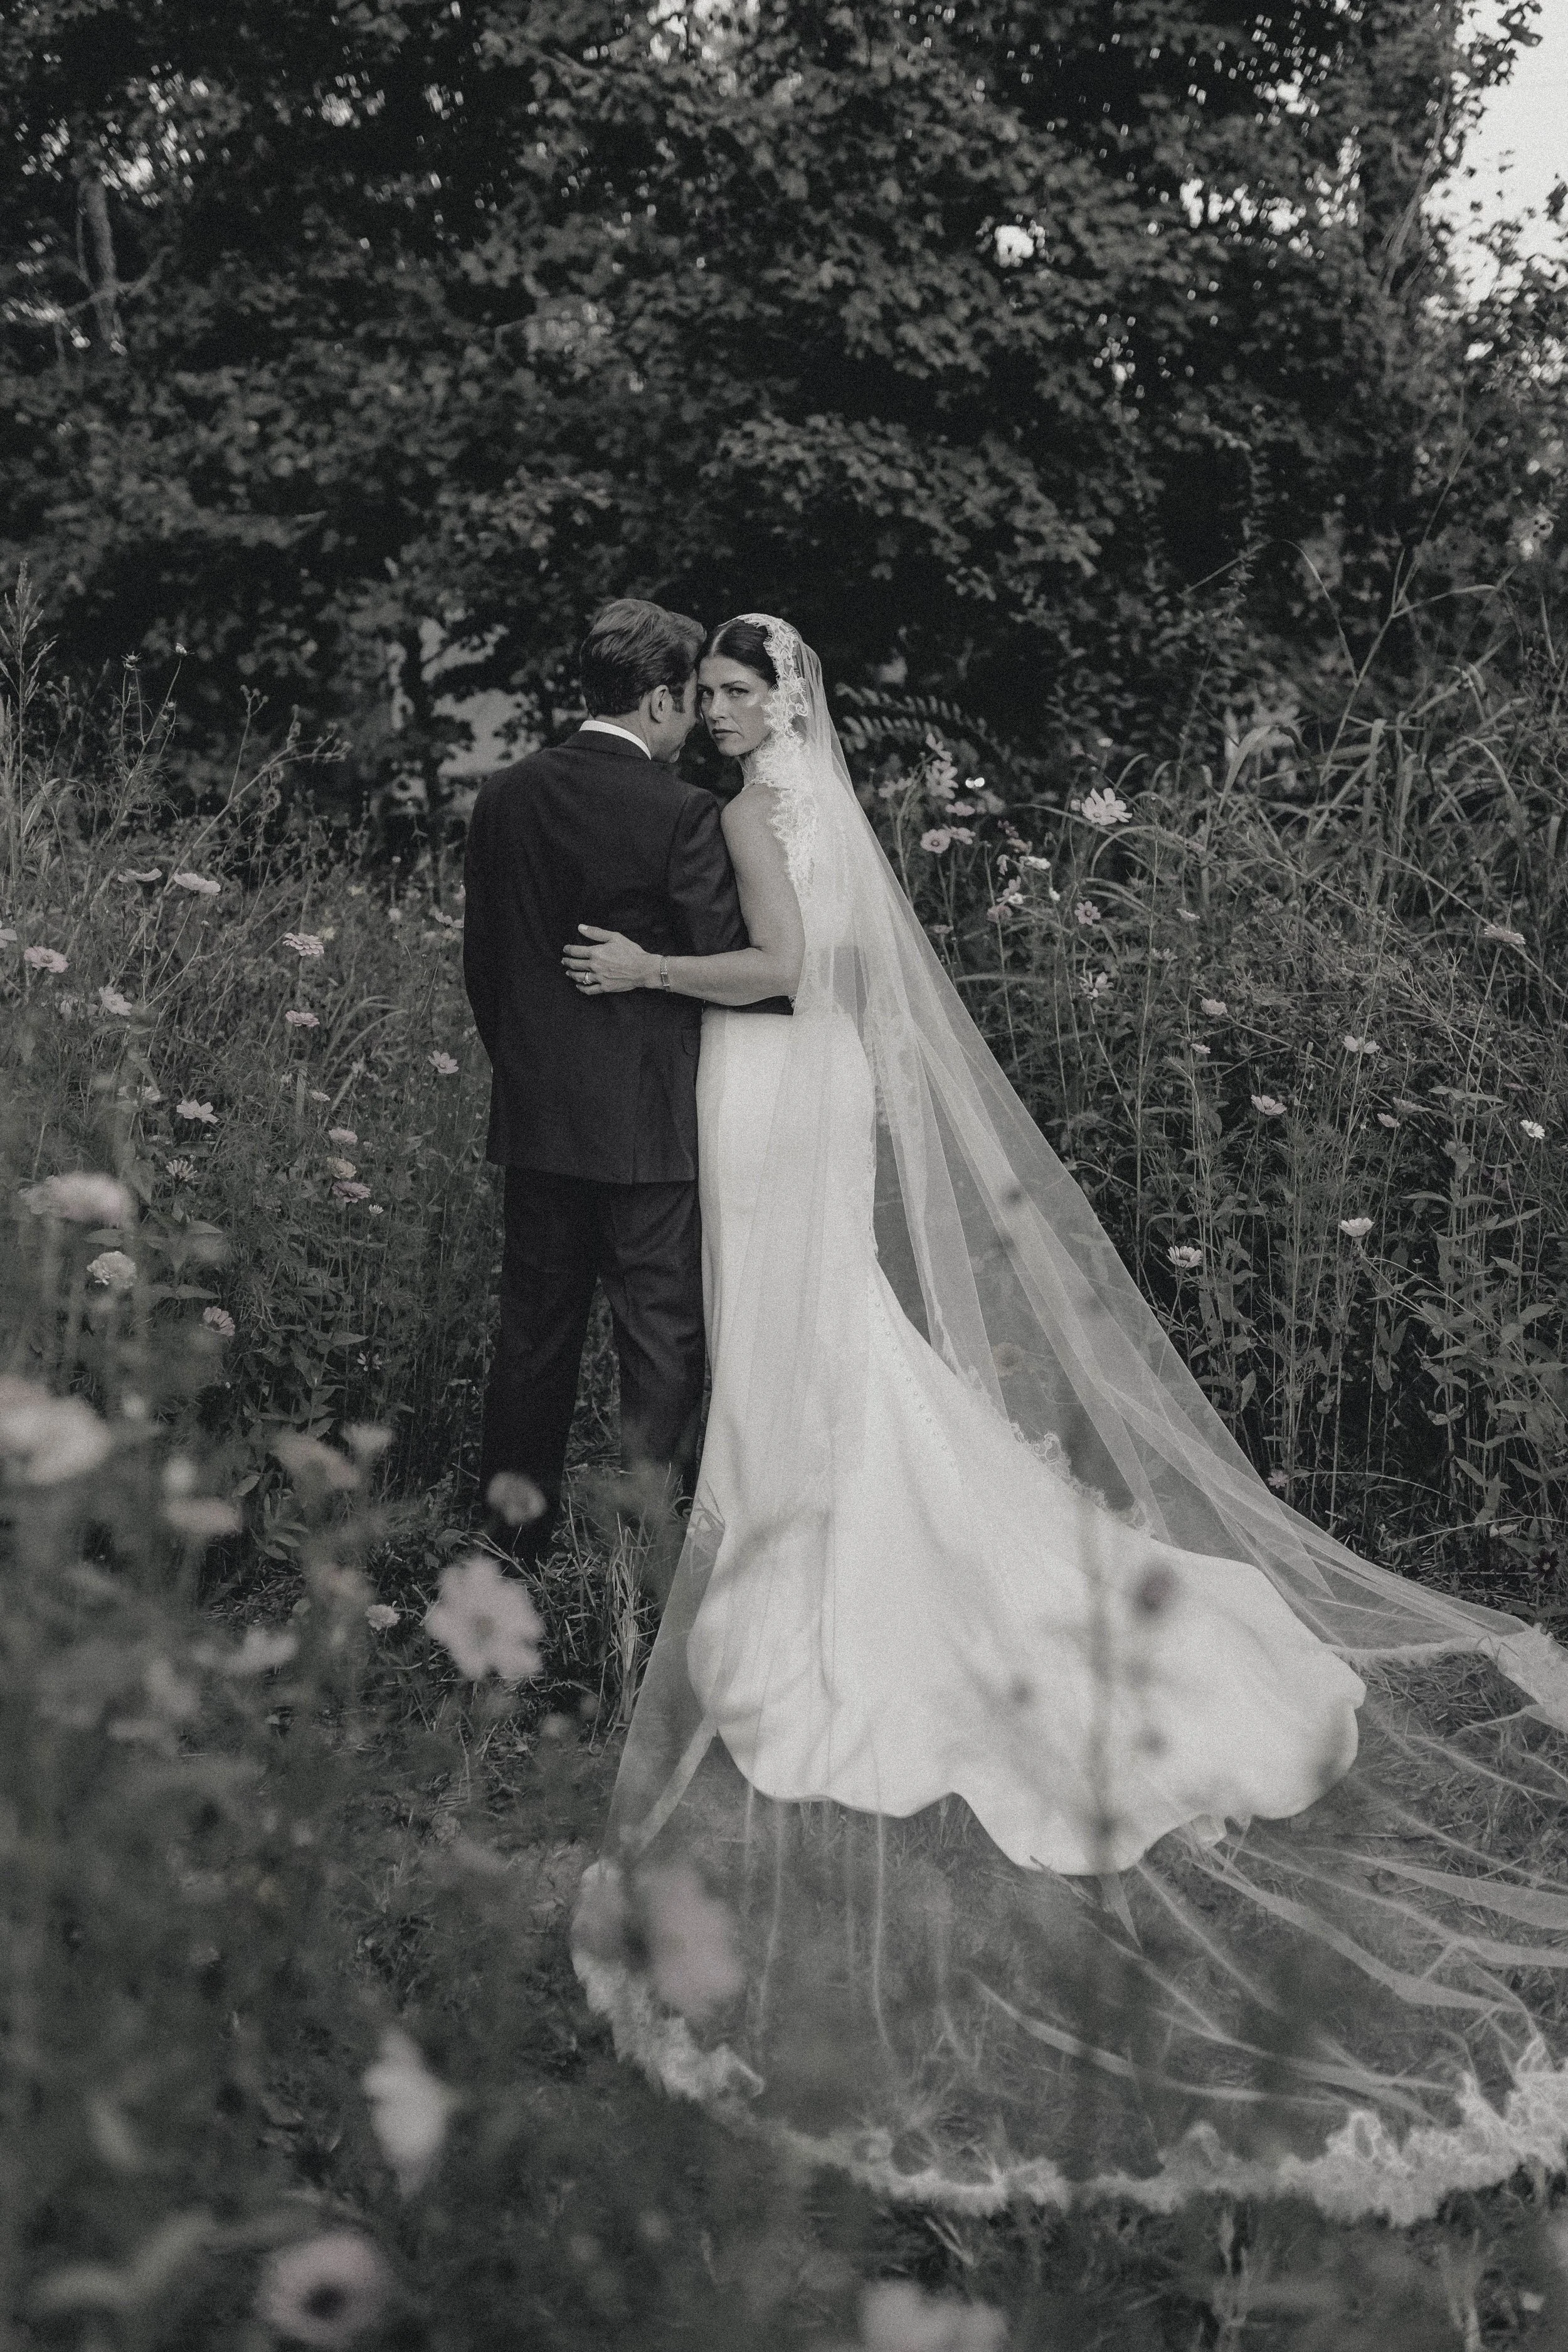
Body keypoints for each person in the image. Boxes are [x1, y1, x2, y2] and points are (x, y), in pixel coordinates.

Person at [566, 614, 1568, 2218]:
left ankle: (807, 1543)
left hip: (761, 1074)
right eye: (713, 692)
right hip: (814, 1092)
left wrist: (642, 969)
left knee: (797, 1323)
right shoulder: (819, 798)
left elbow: (784, 969)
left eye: (741, 692)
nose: (720, 710)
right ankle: (814, 1508)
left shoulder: (759, 811)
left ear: (782, 700)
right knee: (829, 1321)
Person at [462, 597, 777, 1560]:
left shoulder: (504, 794)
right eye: (691, 701)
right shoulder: (682, 813)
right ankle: (640, 1558)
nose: (699, 722)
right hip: (649, 1132)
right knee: (658, 1347)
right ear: (656, 700)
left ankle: (512, 1546)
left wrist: (529, 1073)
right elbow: (738, 968)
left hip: (538, 1121)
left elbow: (487, 969)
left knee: (533, 1342)